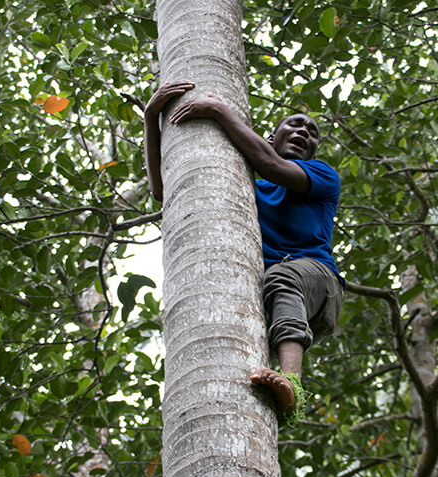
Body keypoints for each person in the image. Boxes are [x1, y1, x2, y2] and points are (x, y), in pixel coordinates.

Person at [144, 81, 343, 423]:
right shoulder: (247, 184)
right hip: (279, 296)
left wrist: (219, 109)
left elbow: (270, 165)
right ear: (272, 137)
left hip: (318, 281)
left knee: (282, 276)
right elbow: (163, 190)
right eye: (294, 125)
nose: (304, 132)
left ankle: (294, 385)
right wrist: (151, 119)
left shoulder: (322, 176)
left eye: (312, 132)